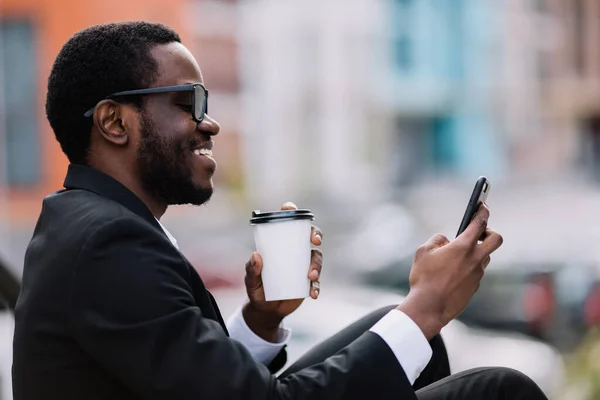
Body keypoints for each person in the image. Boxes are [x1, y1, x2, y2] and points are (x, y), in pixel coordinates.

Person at [11, 21, 548, 400]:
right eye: (188, 103)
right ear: (114, 123)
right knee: (500, 389)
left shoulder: (92, 225)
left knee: (409, 342)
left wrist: (261, 322)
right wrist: (427, 305)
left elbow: (191, 381)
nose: (210, 123)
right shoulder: (108, 245)